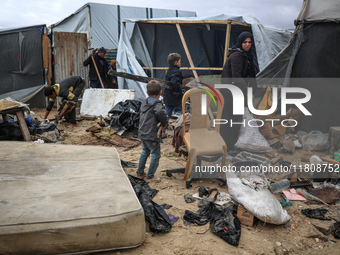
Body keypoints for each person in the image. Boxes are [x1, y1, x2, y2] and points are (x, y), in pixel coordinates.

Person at [220, 31, 258, 155]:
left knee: (235, 118)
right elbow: (236, 76)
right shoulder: (237, 56)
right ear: (240, 42)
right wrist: (248, 91)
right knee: (230, 119)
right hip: (230, 92)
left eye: (249, 42)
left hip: (235, 91)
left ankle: (232, 144)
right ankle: (228, 146)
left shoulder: (246, 55)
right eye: (245, 42)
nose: (247, 44)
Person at [136, 80, 168, 183]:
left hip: (142, 132)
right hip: (151, 133)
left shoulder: (144, 102)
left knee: (145, 151)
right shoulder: (157, 103)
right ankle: (150, 176)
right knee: (156, 154)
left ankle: (140, 173)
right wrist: (164, 122)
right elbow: (160, 112)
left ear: (147, 93)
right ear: (160, 92)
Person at [162, 53, 183, 138]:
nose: (180, 63)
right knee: (184, 113)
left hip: (168, 96)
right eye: (179, 61)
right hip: (175, 97)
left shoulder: (169, 70)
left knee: (167, 114)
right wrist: (180, 89)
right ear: (176, 63)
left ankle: (162, 131)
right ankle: (184, 130)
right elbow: (174, 83)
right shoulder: (176, 72)